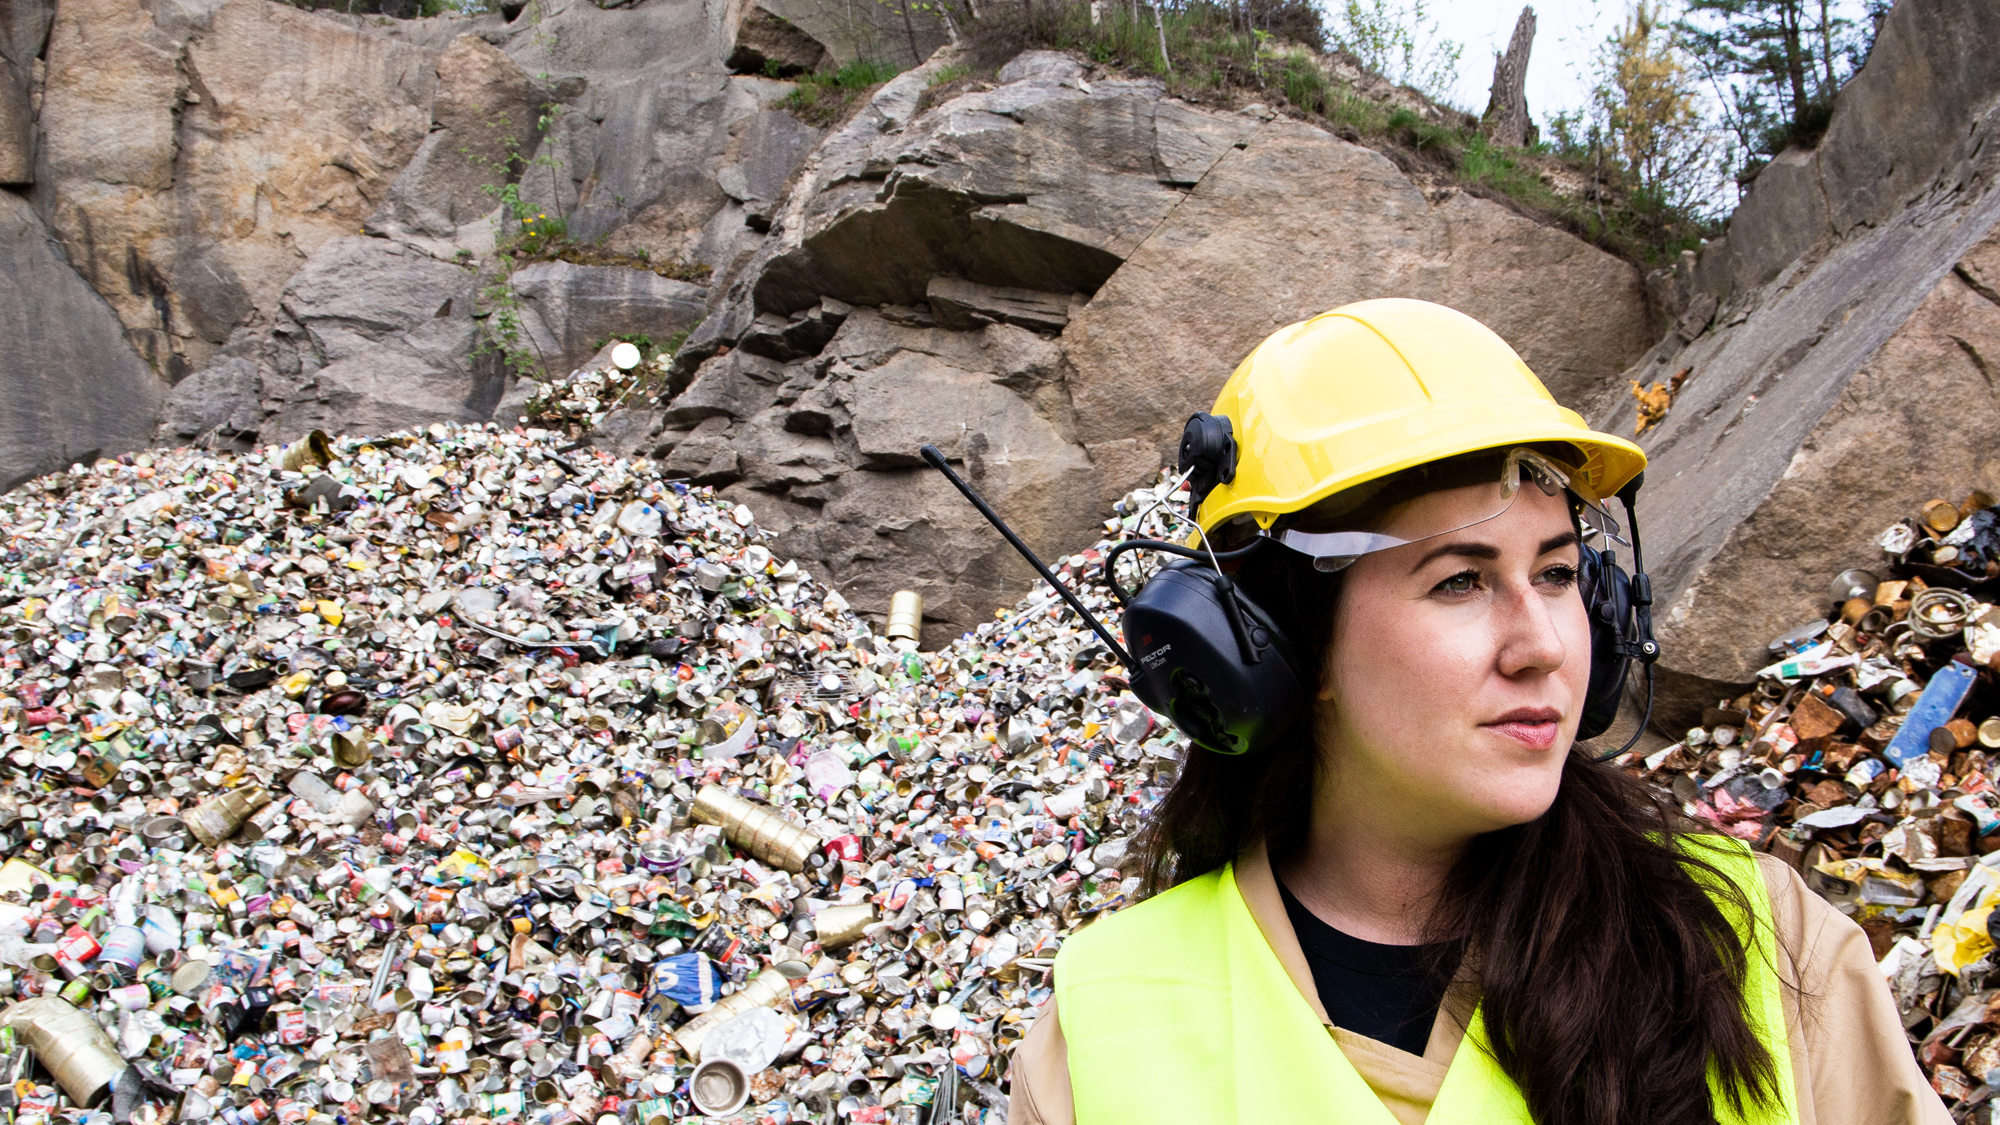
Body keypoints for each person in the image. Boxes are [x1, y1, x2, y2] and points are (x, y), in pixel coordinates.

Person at [1006, 299, 1948, 1125]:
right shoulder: (1104, 1027)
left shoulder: (1758, 941)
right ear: (1282, 642)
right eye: (1459, 580)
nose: (1543, 644)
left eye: (1558, 573)